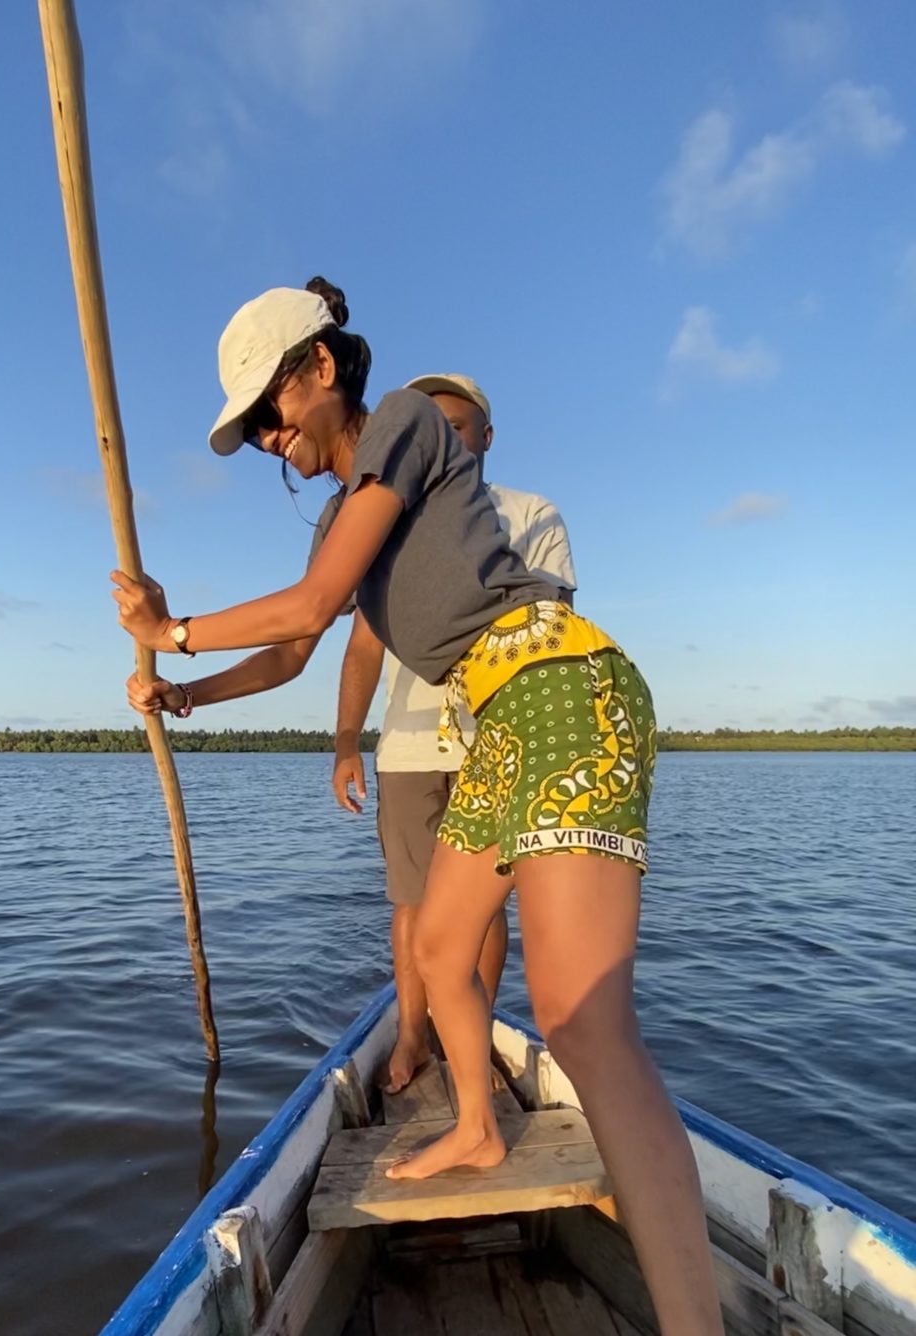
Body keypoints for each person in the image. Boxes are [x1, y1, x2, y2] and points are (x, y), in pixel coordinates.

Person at [116, 278, 722, 1335]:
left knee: (589, 1030)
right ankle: (480, 1128)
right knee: (441, 953)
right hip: (498, 719)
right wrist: (183, 693)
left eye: (269, 409)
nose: (266, 437)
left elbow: (307, 607)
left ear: (319, 370)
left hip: (564, 691)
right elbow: (299, 650)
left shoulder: (398, 415)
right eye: (248, 427)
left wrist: (173, 630)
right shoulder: (344, 516)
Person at [331, 372, 577, 1096]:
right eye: (427, 423)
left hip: (494, 736)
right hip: (408, 745)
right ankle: (412, 1036)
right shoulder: (385, 513)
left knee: (480, 906)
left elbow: (548, 619)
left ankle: (472, 1041)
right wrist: (346, 742)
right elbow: (362, 646)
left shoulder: (531, 514)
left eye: (457, 425)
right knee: (412, 901)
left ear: (484, 438)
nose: (441, 435)